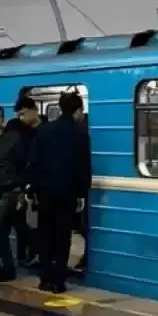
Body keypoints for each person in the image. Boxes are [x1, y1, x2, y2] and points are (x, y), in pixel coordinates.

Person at [26, 91, 91, 294]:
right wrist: (82, 194)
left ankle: (45, 278)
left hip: (45, 192)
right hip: (68, 193)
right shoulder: (80, 134)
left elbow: (34, 162)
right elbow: (83, 167)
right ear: (77, 111)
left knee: (46, 234)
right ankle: (59, 281)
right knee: (63, 236)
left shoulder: (44, 130)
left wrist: (33, 188)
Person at [0, 97, 41, 288]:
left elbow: (24, 164)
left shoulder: (14, 138)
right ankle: (9, 269)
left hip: (10, 191)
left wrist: (23, 190)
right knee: (1, 232)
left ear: (2, 120)